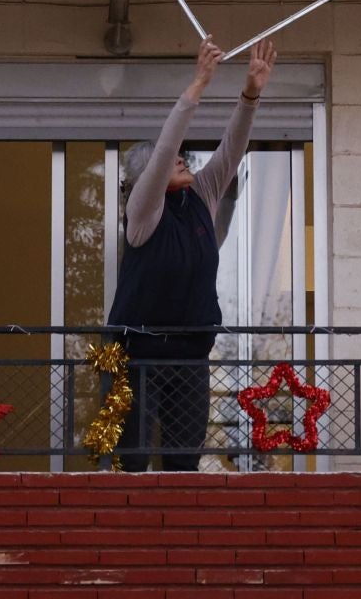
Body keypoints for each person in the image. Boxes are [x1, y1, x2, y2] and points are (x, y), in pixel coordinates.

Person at [106, 35, 278, 471]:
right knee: (134, 459)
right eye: (173, 163)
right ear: (151, 176)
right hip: (139, 353)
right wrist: (198, 84)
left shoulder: (202, 197)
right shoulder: (142, 211)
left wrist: (250, 94)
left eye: (185, 159)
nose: (183, 161)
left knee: (184, 462)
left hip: (191, 353)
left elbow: (230, 150)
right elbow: (165, 150)